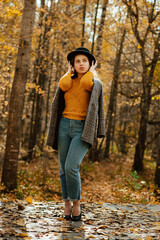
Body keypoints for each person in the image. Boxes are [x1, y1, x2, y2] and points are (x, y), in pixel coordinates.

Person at [46, 47, 105, 221]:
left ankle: (76, 203)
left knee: (72, 166)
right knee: (63, 169)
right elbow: (63, 85)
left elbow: (88, 85)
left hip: (82, 128)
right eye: (77, 61)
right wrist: (68, 72)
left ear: (90, 64)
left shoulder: (94, 83)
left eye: (84, 61)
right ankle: (66, 203)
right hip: (64, 126)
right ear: (72, 64)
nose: (81, 64)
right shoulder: (67, 81)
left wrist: (91, 72)